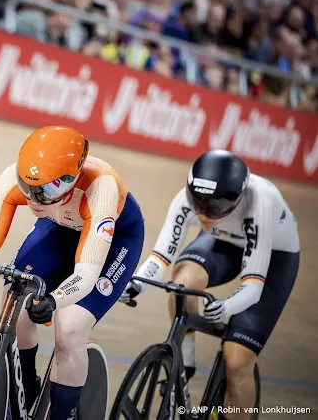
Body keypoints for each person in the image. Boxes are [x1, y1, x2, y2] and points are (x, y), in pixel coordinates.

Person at [0, 125, 145, 419]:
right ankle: (27, 386)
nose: (34, 200)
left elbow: (86, 274)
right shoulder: (17, 179)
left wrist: (55, 300)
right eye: (28, 188)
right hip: (60, 225)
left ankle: (64, 414)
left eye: (46, 191)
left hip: (114, 240)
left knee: (70, 329)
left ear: (71, 180)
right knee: (15, 299)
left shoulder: (102, 188)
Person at [120, 150, 300, 420]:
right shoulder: (189, 201)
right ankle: (185, 361)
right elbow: (161, 255)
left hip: (274, 256)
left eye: (214, 208)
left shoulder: (260, 201)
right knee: (181, 284)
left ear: (236, 200)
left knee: (237, 362)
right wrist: (136, 285)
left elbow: (253, 286)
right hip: (223, 241)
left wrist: (227, 307)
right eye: (198, 203)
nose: (203, 213)